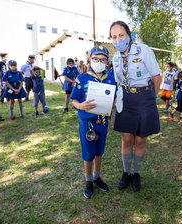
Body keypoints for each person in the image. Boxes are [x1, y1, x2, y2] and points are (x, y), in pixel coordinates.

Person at [110, 21, 162, 192]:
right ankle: (126, 173)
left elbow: (156, 77)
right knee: (126, 139)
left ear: (129, 35)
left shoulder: (143, 50)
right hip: (126, 98)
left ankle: (136, 173)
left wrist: (150, 98)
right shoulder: (116, 57)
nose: (118, 40)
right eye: (114, 37)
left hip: (145, 97)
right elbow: (118, 81)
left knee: (140, 139)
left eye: (121, 35)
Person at [70, 45, 116, 199]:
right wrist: (80, 105)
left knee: (99, 152)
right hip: (87, 123)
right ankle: (88, 180)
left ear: (107, 62)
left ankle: (97, 177)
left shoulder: (110, 79)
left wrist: (108, 121)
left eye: (102, 59)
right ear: (90, 59)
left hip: (102, 123)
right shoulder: (82, 77)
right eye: (96, 59)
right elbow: (74, 100)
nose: (99, 62)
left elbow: (110, 104)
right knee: (88, 153)